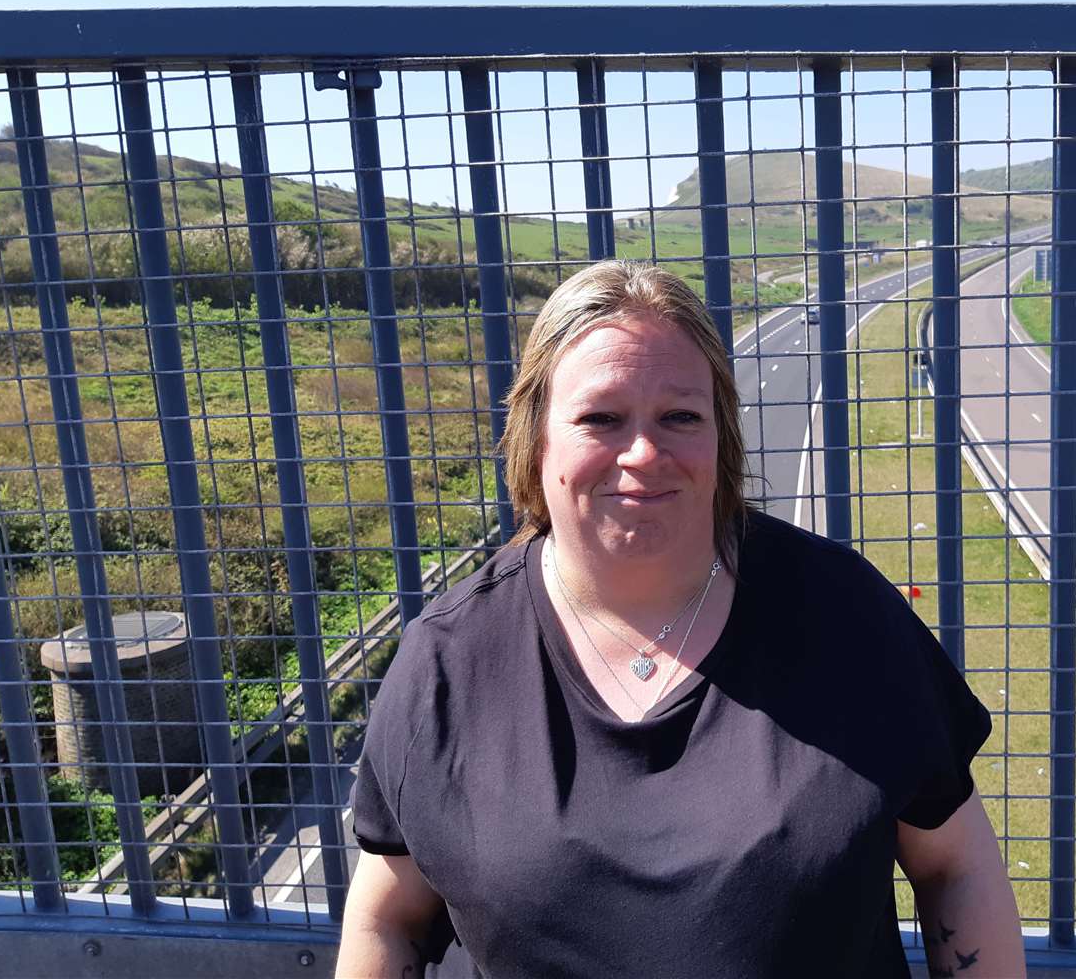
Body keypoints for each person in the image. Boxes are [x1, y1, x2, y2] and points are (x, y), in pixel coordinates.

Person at [336, 260, 1024, 979]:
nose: (643, 453)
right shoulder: (449, 662)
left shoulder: (849, 619)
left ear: (721, 436)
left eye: (680, 417)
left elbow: (955, 865)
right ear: (536, 437)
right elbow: (389, 914)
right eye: (601, 417)